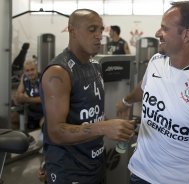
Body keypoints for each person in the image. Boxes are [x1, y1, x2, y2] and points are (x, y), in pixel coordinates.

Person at [116, 1, 189, 184]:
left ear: (186, 35)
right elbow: (144, 86)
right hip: (139, 173)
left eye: (164, 29)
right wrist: (126, 101)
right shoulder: (157, 61)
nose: (157, 33)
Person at [39, 9, 134, 184]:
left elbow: (88, 116)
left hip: (95, 164)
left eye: (101, 29)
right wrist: (104, 128)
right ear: (72, 31)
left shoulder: (95, 66)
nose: (99, 35)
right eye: (92, 29)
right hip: (69, 170)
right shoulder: (58, 73)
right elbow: (55, 131)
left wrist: (115, 126)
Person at [14, 59, 44, 130]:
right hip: (31, 110)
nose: (30, 73)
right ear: (24, 72)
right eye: (27, 71)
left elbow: (45, 99)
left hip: (44, 112)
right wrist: (18, 99)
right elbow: (18, 94)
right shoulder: (24, 78)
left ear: (36, 69)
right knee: (13, 118)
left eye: (32, 69)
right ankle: (19, 138)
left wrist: (26, 99)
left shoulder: (43, 78)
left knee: (43, 125)